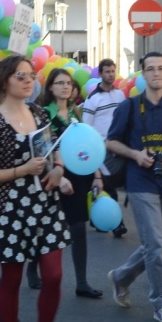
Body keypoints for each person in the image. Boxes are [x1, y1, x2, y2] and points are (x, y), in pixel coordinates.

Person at [0, 55, 73, 322]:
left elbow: (52, 146)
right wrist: (21, 170)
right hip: (10, 209)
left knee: (54, 275)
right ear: (6, 81)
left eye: (32, 75)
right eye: (21, 76)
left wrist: (58, 169)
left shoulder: (38, 111)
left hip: (44, 205)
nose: (29, 80)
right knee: (12, 281)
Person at [105, 52, 162, 322]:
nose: (157, 74)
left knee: (160, 243)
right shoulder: (130, 107)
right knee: (156, 244)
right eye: (151, 69)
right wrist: (135, 155)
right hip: (139, 183)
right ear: (143, 74)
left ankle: (120, 277)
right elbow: (111, 142)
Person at [41, 67, 104, 298]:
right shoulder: (44, 114)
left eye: (68, 83)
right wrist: (60, 176)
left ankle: (81, 282)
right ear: (50, 87)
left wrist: (97, 175)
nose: (66, 86)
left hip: (79, 177)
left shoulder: (76, 113)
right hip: (53, 177)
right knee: (45, 229)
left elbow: (88, 146)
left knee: (78, 229)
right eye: (60, 83)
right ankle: (32, 270)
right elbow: (43, 150)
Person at [83, 58, 128, 237]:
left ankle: (96, 214)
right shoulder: (93, 99)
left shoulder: (120, 96)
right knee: (108, 186)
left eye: (112, 71)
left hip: (118, 146)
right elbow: (87, 127)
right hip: (100, 148)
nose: (110, 75)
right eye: (107, 71)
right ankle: (118, 224)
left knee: (114, 183)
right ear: (100, 74)